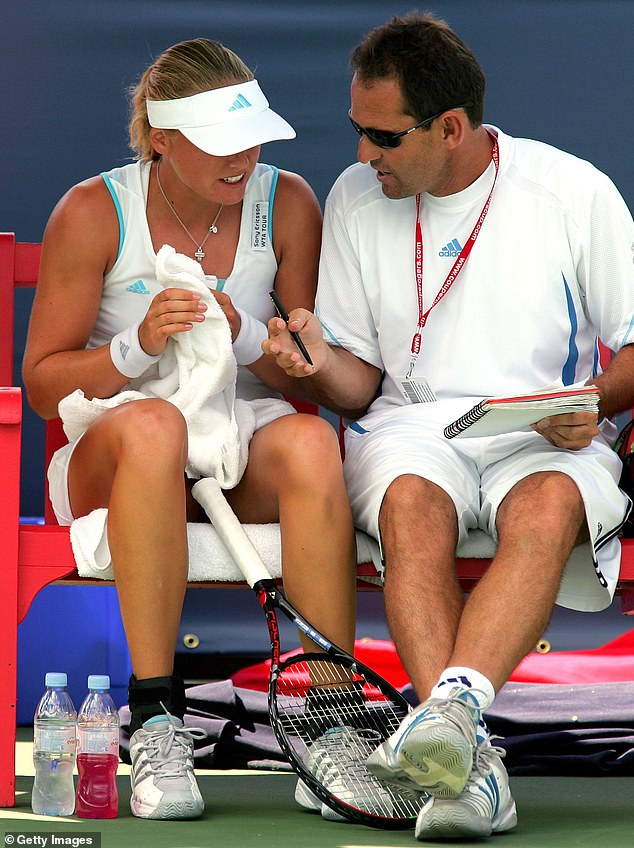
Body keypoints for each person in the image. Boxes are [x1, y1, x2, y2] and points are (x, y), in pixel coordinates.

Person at [264, 11, 634, 841]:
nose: (364, 155)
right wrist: (318, 364)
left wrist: (594, 404)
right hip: (409, 429)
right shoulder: (356, 198)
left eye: (383, 137)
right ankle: (471, 762)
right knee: (410, 508)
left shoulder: (571, 191)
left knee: (546, 506)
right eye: (357, 131)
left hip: (547, 430)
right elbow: (359, 389)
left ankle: (455, 723)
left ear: (453, 127)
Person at [22, 38, 359, 822]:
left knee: (312, 443)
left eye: (251, 137)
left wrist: (248, 335)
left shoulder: (290, 203)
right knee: (154, 427)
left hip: (236, 439)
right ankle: (157, 719)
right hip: (115, 446)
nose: (242, 157)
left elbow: (299, 366)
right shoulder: (90, 209)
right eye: (216, 142)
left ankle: (336, 725)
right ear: (162, 138)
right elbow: (44, 387)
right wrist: (134, 346)